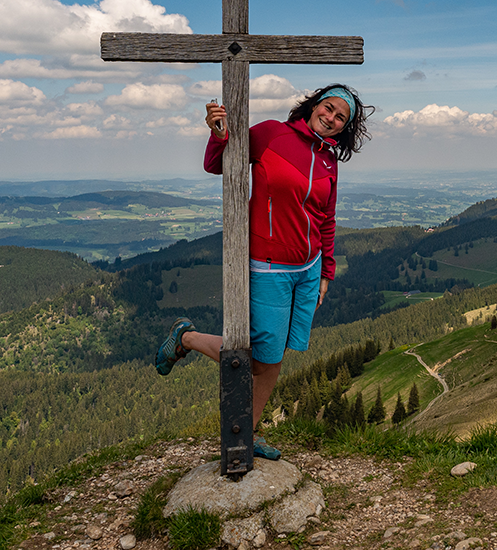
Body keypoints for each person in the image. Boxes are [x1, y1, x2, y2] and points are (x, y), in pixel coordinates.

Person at [155, 83, 370, 460]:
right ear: (313, 106)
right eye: (328, 108)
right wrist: (218, 133)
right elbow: (217, 163)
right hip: (268, 265)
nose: (331, 118)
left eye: (341, 117)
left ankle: (248, 433)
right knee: (258, 359)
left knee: (275, 358)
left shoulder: (328, 160)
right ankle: (186, 337)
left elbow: (326, 218)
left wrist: (325, 273)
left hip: (308, 269)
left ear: (344, 128)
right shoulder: (273, 134)